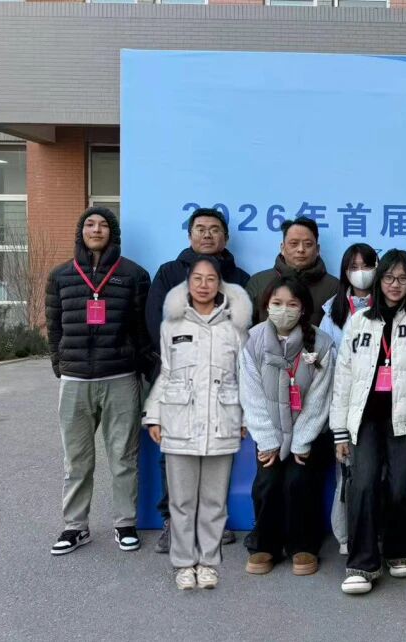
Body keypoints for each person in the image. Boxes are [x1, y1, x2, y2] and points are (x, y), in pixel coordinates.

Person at [330, 250, 406, 595]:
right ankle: (362, 564)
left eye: (402, 278)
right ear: (379, 280)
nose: (395, 285)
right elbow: (344, 377)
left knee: (402, 487)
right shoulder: (359, 321)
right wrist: (340, 430)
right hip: (364, 419)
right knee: (363, 485)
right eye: (388, 277)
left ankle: (399, 550)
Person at [45, 206, 152, 555]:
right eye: (89, 224)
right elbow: (54, 326)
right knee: (76, 459)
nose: (96, 229)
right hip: (75, 380)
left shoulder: (133, 275)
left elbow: (142, 329)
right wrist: (61, 364)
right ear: (81, 231)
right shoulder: (61, 276)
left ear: (113, 233)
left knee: (123, 457)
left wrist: (138, 365)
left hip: (120, 377)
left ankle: (125, 523)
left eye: (103, 225)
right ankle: (75, 527)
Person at [146, 207, 250, 552]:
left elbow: (244, 329)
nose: (207, 234)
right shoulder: (169, 273)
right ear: (189, 235)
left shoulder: (240, 279)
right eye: (200, 228)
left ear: (226, 237)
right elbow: (155, 321)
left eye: (214, 229)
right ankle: (173, 523)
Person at [240, 277, 336, 577]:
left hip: (308, 434)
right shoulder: (252, 340)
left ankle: (303, 545)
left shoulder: (321, 343)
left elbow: (320, 398)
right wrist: (268, 441)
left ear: (303, 308)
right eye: (277, 303)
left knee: (299, 481)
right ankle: (264, 544)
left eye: (292, 304)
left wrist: (301, 442)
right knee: (267, 483)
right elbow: (251, 395)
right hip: (268, 432)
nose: (284, 310)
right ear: (266, 306)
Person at [318, 242, 378, 555]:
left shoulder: (388, 303)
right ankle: (345, 534)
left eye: (366, 266)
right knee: (348, 473)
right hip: (345, 403)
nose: (361, 273)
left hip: (379, 402)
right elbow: (327, 361)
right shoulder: (333, 311)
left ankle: (376, 533)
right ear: (345, 272)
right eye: (354, 267)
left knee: (377, 473)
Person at [246, 218, 339, 326]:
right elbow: (245, 328)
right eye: (294, 243)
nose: (301, 249)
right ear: (282, 248)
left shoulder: (334, 287)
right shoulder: (258, 282)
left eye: (308, 244)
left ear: (317, 249)